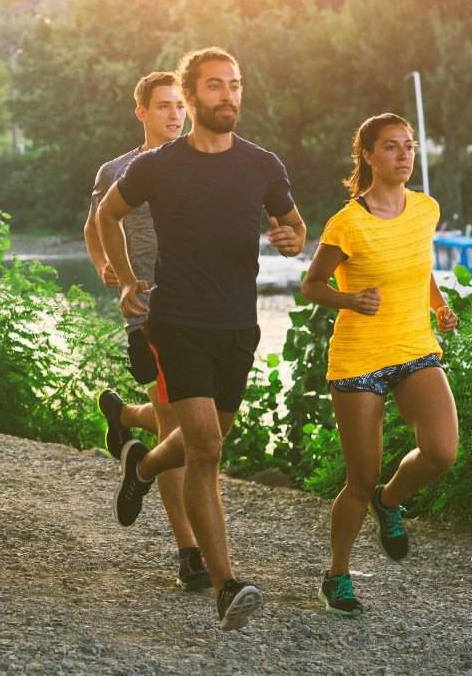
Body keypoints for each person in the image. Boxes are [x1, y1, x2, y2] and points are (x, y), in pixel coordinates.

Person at [96, 47, 307, 631]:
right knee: (207, 449)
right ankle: (225, 584)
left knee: (199, 440)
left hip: (237, 324)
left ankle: (140, 468)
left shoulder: (262, 164)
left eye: (235, 85)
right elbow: (105, 218)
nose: (229, 96)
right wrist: (128, 280)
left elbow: (295, 223)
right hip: (177, 320)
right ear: (190, 97)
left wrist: (291, 239)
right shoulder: (159, 165)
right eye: (215, 86)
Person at [301, 113, 458, 618]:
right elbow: (312, 285)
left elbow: (420, 266)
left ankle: (391, 503)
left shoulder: (426, 209)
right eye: (391, 147)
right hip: (360, 358)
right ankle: (337, 576)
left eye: (408, 146)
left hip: (414, 347)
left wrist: (436, 305)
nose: (404, 155)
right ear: (367, 155)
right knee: (359, 478)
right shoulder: (347, 222)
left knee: (440, 452)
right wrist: (350, 300)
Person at [84, 71, 209, 589]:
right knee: (183, 428)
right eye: (163, 106)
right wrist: (105, 269)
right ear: (142, 112)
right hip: (152, 311)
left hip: (208, 309)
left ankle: (123, 421)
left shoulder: (207, 161)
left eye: (180, 106)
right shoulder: (118, 169)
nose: (174, 115)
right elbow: (96, 225)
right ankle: (190, 552)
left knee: (193, 425)